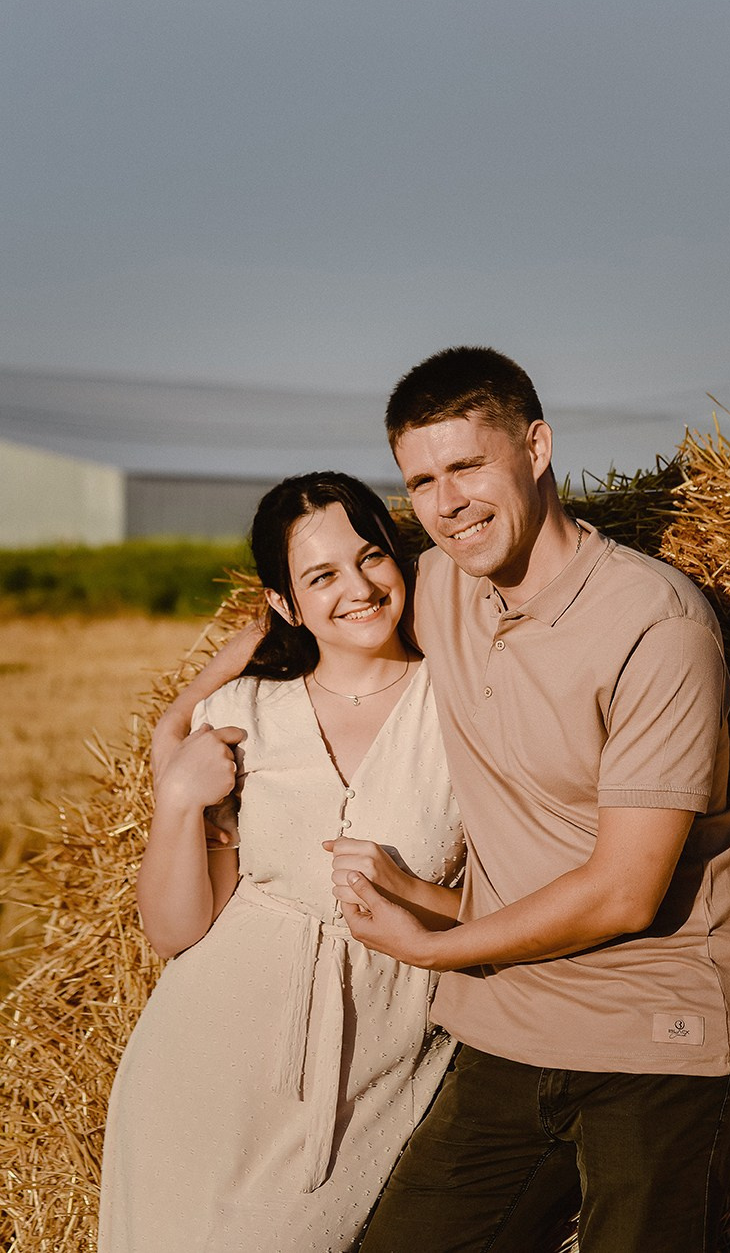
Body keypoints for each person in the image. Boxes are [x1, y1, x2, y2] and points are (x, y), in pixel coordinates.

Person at [153, 348, 730, 1253]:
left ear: (537, 445)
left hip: (650, 1036)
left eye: (469, 466)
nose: (448, 503)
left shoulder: (654, 625)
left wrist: (429, 941)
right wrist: (175, 726)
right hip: (505, 1029)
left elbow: (622, 892)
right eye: (422, 481)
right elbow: (307, 605)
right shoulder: (436, 586)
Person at [98, 472, 464, 1253]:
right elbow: (176, 931)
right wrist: (176, 800)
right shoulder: (243, 713)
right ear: (285, 604)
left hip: (371, 1064)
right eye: (321, 575)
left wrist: (413, 895)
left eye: (371, 558)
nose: (358, 589)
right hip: (201, 1059)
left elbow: (512, 899)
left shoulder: (461, 707)